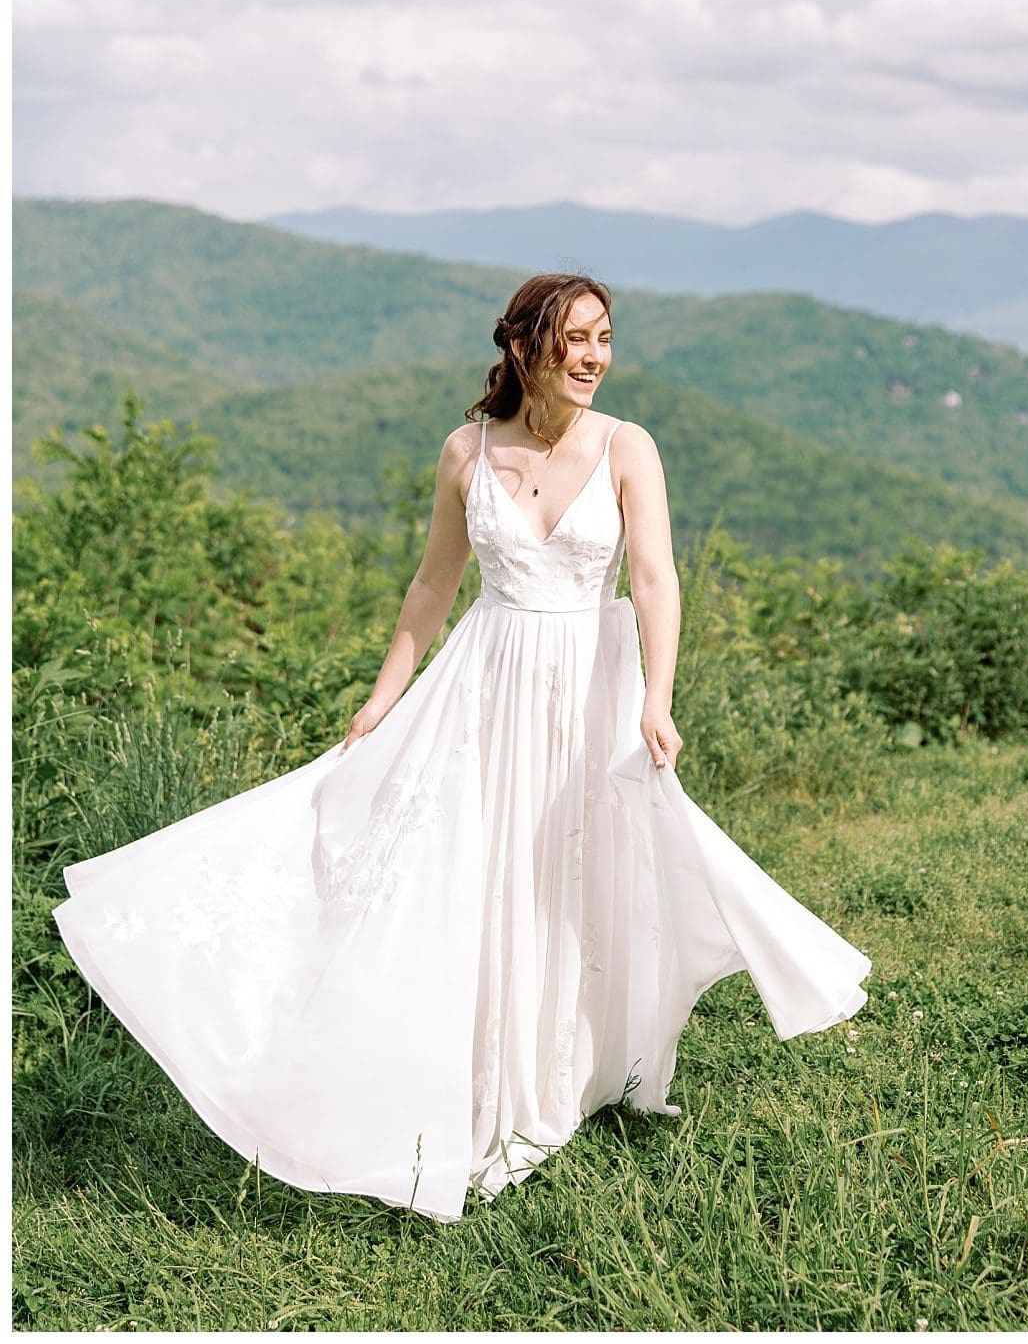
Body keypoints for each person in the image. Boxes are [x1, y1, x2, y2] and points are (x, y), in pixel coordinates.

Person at [53, 272, 870, 1222]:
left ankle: (569, 1075)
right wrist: (377, 700)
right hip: (485, 689)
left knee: (576, 877)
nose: (595, 357)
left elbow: (655, 579)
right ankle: (477, 1083)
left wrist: (658, 696)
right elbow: (432, 588)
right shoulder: (465, 450)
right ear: (527, 347)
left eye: (604, 337)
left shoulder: (627, 447)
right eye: (575, 339)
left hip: (589, 690)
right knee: (474, 879)